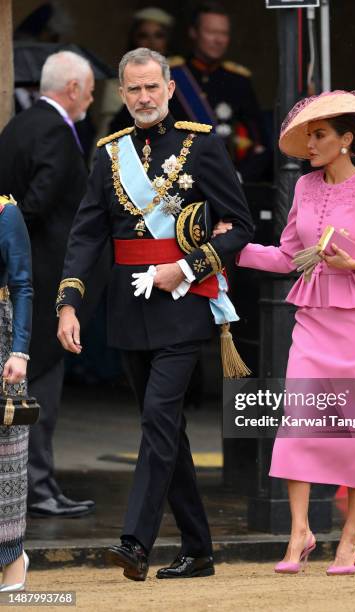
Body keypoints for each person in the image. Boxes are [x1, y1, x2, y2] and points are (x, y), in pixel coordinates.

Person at [56, 48, 253, 581]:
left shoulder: (202, 145)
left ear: (169, 89)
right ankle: (199, 548)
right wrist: (69, 303)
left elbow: (241, 226)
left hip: (183, 308)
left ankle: (135, 542)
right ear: (122, 94)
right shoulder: (109, 153)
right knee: (167, 431)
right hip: (127, 309)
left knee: (159, 422)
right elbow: (87, 235)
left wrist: (188, 269)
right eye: (133, 90)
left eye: (152, 88)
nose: (144, 98)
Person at [233, 91, 355, 574]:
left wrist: (354, 265)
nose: (311, 142)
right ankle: (299, 534)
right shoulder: (303, 188)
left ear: (347, 140)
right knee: (298, 426)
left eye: (321, 134)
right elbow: (288, 256)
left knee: (354, 434)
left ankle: (351, 538)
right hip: (311, 319)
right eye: (309, 134)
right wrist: (234, 249)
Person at [0, 51, 96, 518]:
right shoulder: (57, 132)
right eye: (91, 89)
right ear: (73, 88)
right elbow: (31, 206)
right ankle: (38, 487)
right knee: (41, 386)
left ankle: (30, 484)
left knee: (20, 382)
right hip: (43, 279)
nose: (93, 99)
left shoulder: (17, 125)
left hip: (18, 276)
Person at [169, 1, 269, 182]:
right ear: (193, 33)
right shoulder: (170, 76)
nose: (219, 39)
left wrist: (238, 177)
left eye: (224, 33)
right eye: (211, 32)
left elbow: (259, 143)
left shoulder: (238, 81)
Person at [0, 197, 33, 591]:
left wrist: (19, 350)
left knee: (6, 454)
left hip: (2, 339)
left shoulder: (6, 212)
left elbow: (23, 284)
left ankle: (11, 557)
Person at [109, 6, 175, 133]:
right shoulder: (116, 82)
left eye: (158, 35)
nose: (151, 42)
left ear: (167, 40)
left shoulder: (180, 75)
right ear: (134, 39)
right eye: (143, 36)